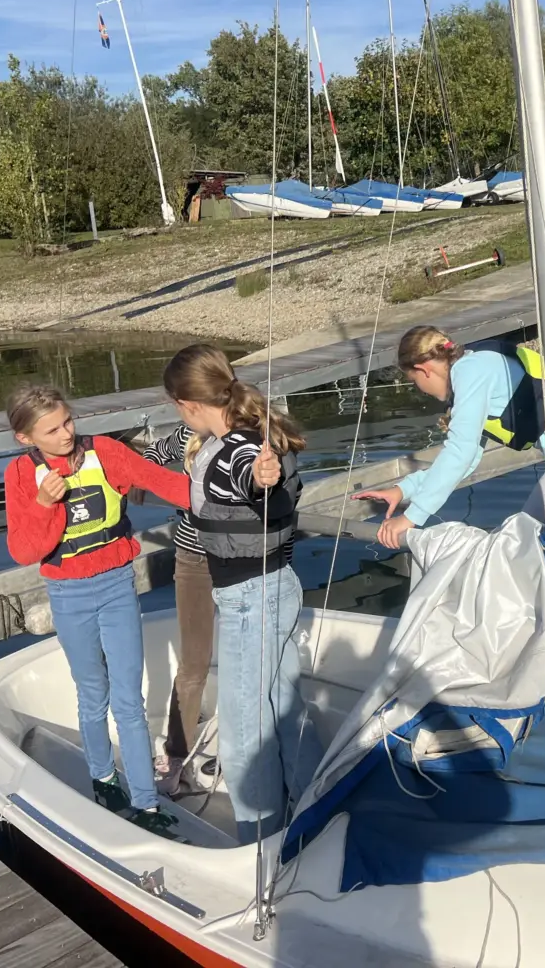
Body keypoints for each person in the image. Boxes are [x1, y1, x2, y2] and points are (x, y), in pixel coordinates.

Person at [4, 384, 189, 838]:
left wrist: (237, 489)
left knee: (129, 699)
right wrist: (46, 504)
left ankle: (146, 804)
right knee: (92, 694)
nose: (66, 433)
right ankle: (104, 781)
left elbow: (169, 485)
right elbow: (25, 551)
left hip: (117, 584)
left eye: (68, 421)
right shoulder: (20, 474)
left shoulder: (105, 452)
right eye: (51, 430)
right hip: (67, 593)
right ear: (26, 439)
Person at [162, 344, 319, 845]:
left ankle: (262, 843)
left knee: (243, 735)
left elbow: (249, 473)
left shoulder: (238, 449)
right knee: (284, 709)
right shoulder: (250, 432)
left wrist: (261, 478)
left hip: (250, 600)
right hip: (279, 587)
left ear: (187, 404)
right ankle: (317, 809)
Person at [353, 325, 545, 548]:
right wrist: (404, 490)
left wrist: (411, 518)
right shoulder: (473, 368)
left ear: (424, 370)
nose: (421, 391)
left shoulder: (470, 372)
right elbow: (468, 458)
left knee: (525, 542)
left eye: (415, 383)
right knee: (543, 542)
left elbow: (459, 452)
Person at [141, 422, 215, 795]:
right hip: (194, 560)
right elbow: (151, 456)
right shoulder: (188, 433)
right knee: (194, 663)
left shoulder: (249, 434)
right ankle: (175, 754)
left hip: (247, 558)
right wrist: (159, 484)